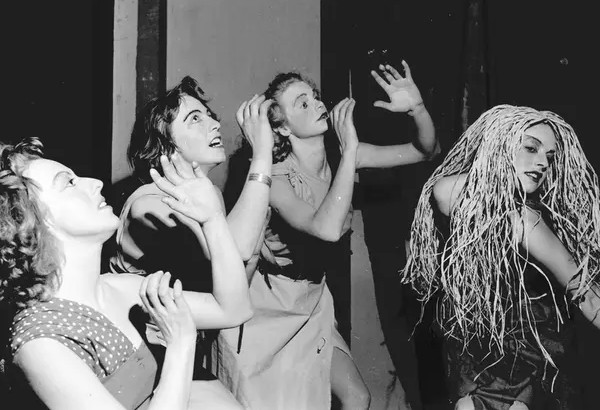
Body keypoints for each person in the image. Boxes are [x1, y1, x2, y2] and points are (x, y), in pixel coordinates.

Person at [217, 61, 439, 410]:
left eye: (315, 96)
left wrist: (417, 109)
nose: (318, 104)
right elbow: (327, 229)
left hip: (312, 300)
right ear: (283, 128)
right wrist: (350, 151)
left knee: (358, 397)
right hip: (266, 308)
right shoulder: (276, 177)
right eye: (302, 103)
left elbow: (425, 150)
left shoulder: (343, 156)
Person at [0, 137, 253, 410]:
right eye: (69, 183)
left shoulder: (119, 287)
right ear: (29, 220)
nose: (95, 183)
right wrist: (181, 343)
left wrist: (213, 219)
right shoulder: (40, 343)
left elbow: (233, 310)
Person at [403, 105, 600, 409]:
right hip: (475, 346)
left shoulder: (528, 223)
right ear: (499, 147)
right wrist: (495, 169)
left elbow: (587, 296)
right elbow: (443, 190)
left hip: (528, 353)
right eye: (531, 148)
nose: (542, 163)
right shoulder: (471, 201)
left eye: (550, 157)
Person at [110, 76, 273, 400]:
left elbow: (233, 283)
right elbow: (236, 251)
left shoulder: (208, 196)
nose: (214, 123)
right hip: (134, 364)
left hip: (178, 350)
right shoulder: (148, 204)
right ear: (165, 145)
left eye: (209, 115)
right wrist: (262, 155)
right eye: (194, 118)